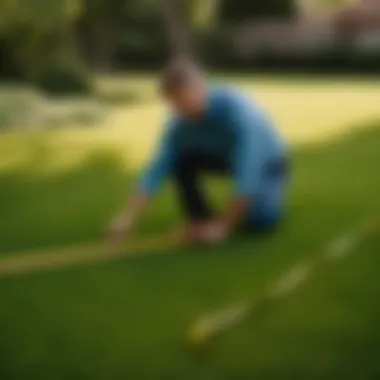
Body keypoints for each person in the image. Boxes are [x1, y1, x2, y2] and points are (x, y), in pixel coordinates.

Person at [108, 60, 289, 245]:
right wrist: (126, 217)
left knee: (261, 221)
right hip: (222, 158)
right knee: (180, 160)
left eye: (185, 101)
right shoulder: (179, 123)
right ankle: (200, 219)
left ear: (201, 89)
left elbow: (249, 173)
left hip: (268, 162)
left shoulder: (239, 112)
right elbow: (156, 169)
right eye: (176, 105)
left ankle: (216, 224)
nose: (182, 111)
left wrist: (223, 226)